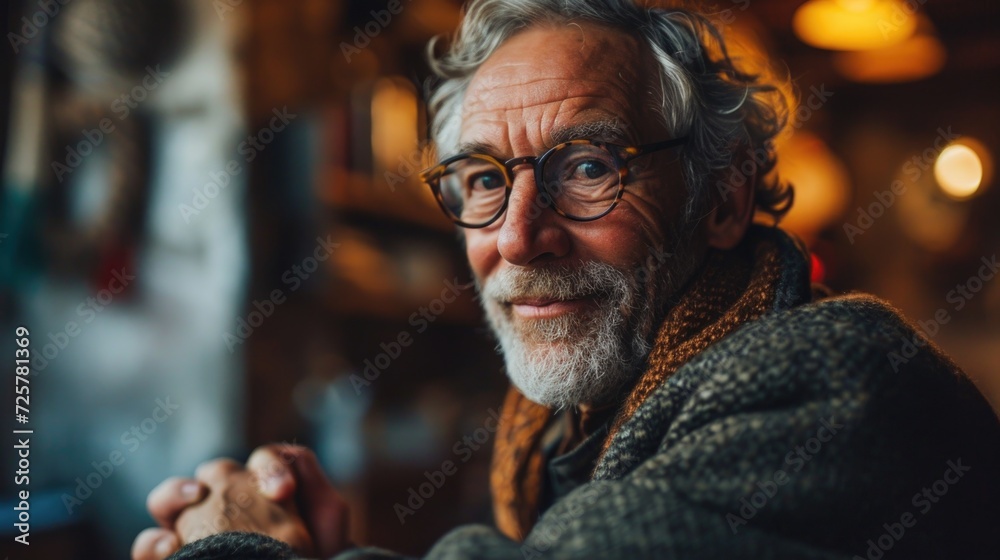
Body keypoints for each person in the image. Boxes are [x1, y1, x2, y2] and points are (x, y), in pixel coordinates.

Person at [132, 1, 1000, 558]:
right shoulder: (560, 431)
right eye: (482, 180)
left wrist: (242, 548)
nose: (518, 238)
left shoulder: (842, 374)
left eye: (587, 166)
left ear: (724, 199)